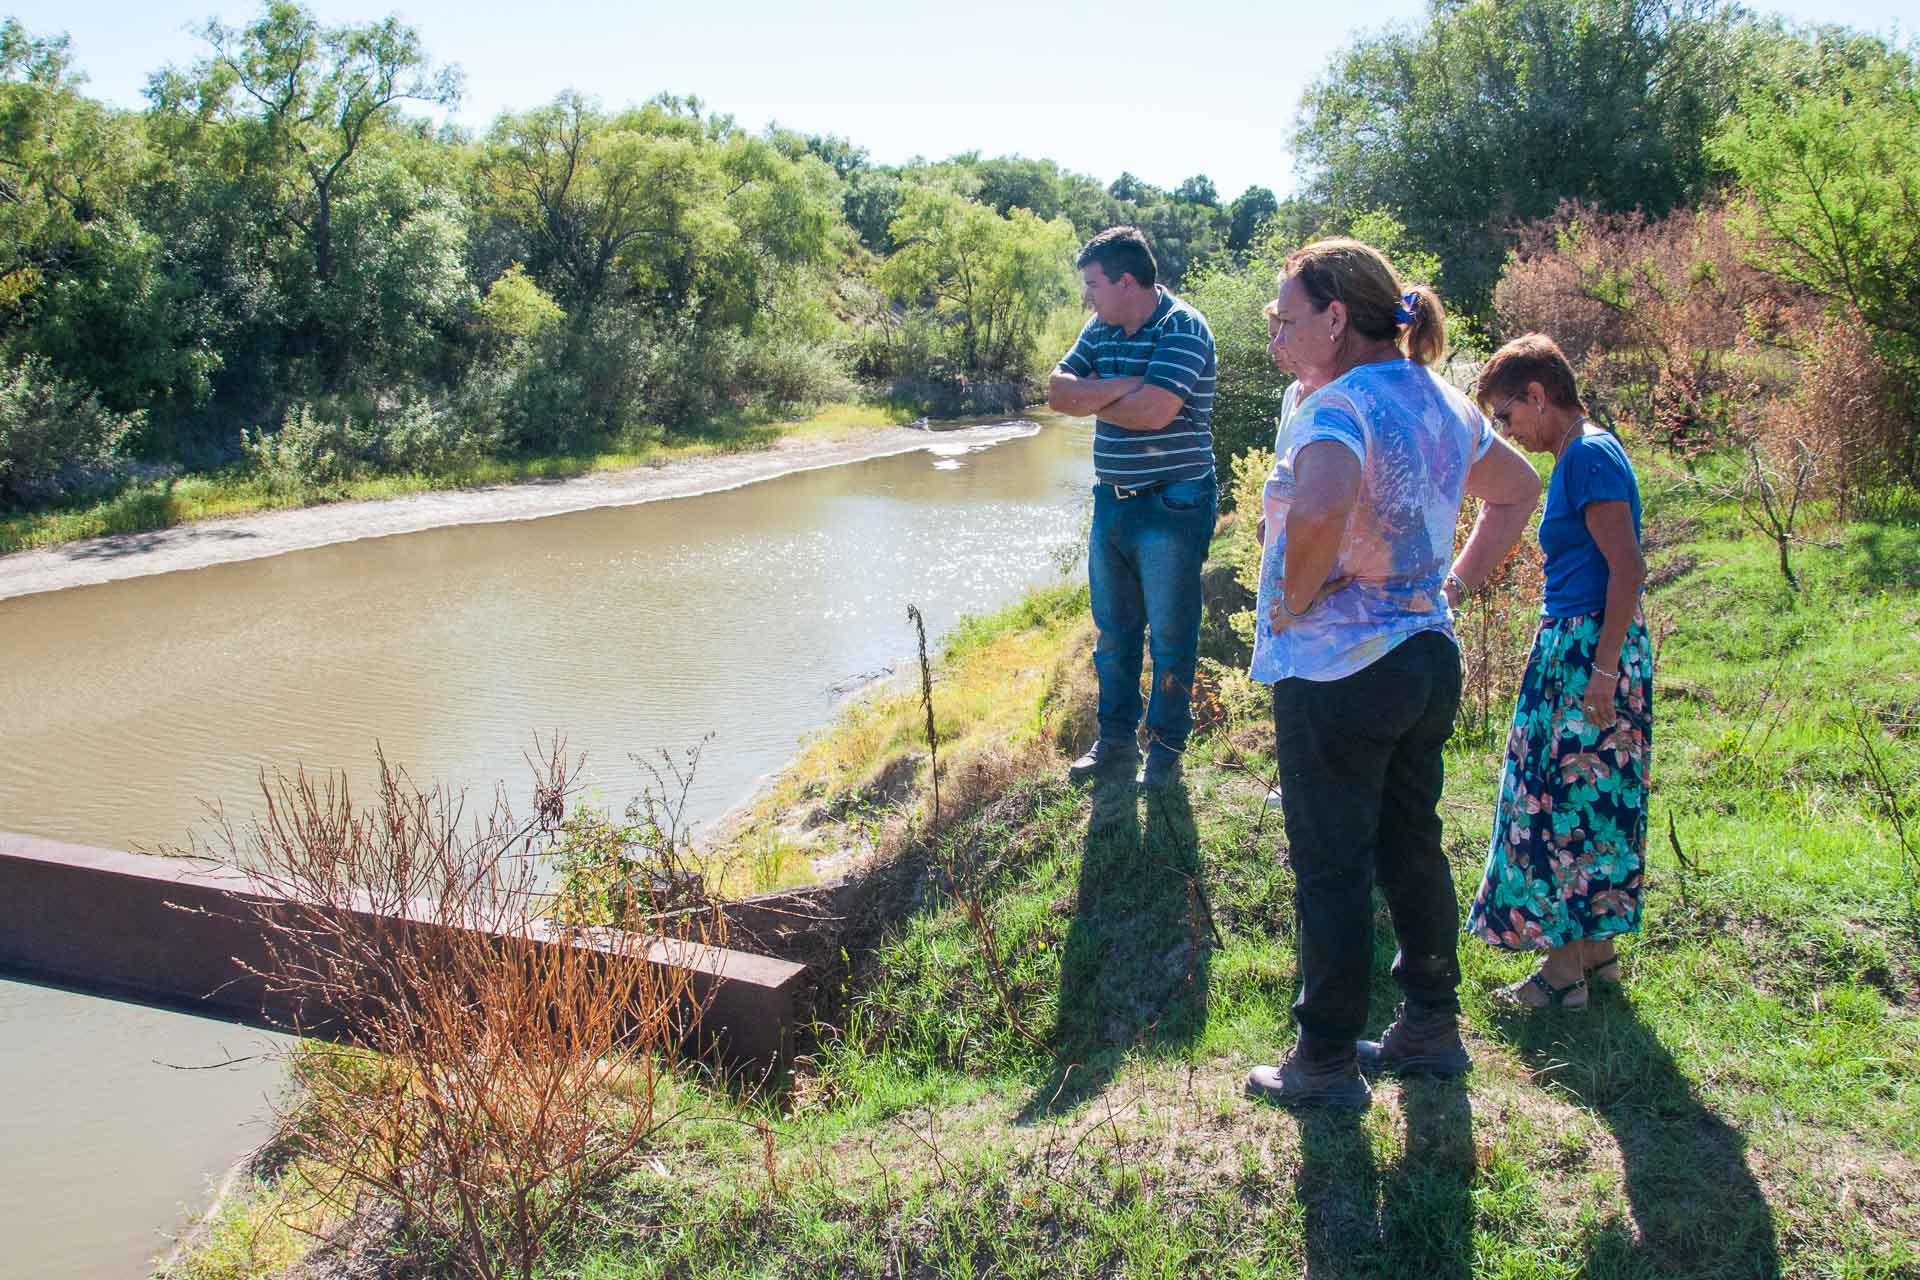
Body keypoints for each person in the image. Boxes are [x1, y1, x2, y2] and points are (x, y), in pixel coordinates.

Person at [1241, 238, 1541, 1109]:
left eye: (1286, 319)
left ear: (1336, 318)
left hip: (1339, 669)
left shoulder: (1334, 407)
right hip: (1422, 656)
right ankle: (1429, 1029)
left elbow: (1328, 499)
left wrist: (1296, 598)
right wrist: (1452, 582)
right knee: (1410, 840)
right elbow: (1516, 486)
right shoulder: (1439, 397)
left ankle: (1326, 1061)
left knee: (1331, 862)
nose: (1276, 337)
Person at [1463, 335, 1650, 1010]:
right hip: (1581, 643)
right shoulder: (1582, 453)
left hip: (1588, 646)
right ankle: (1596, 958)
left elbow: (1627, 568)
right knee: (1588, 803)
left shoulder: (1589, 456)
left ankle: (1561, 975)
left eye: (1506, 416)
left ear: (1538, 395)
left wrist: (1601, 669)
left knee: (1563, 805)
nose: (1505, 430)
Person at [1048, 226, 1219, 789]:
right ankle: (1116, 741)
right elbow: (1058, 392)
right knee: (1114, 634)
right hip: (1113, 503)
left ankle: (1166, 747)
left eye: (1093, 285)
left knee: (1171, 635)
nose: (1088, 298)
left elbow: (1155, 414)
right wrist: (1127, 384)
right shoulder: (1101, 328)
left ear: (1126, 281)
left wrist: (1098, 394)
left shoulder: (1184, 328)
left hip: (1174, 503)